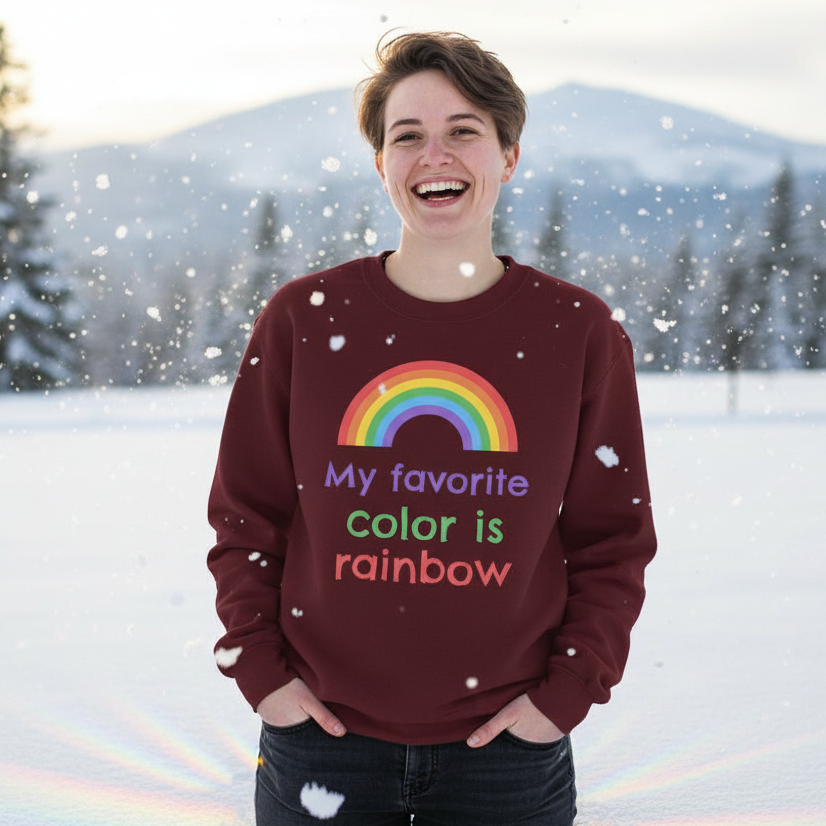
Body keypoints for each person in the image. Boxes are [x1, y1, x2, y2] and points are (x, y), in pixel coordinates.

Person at [207, 31, 657, 825]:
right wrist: (264, 678)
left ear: (508, 156)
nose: (433, 156)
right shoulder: (306, 319)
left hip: (507, 757)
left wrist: (565, 695)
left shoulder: (577, 331)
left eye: (463, 131)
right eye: (407, 136)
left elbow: (611, 539)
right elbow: (247, 516)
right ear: (381, 162)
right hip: (321, 740)